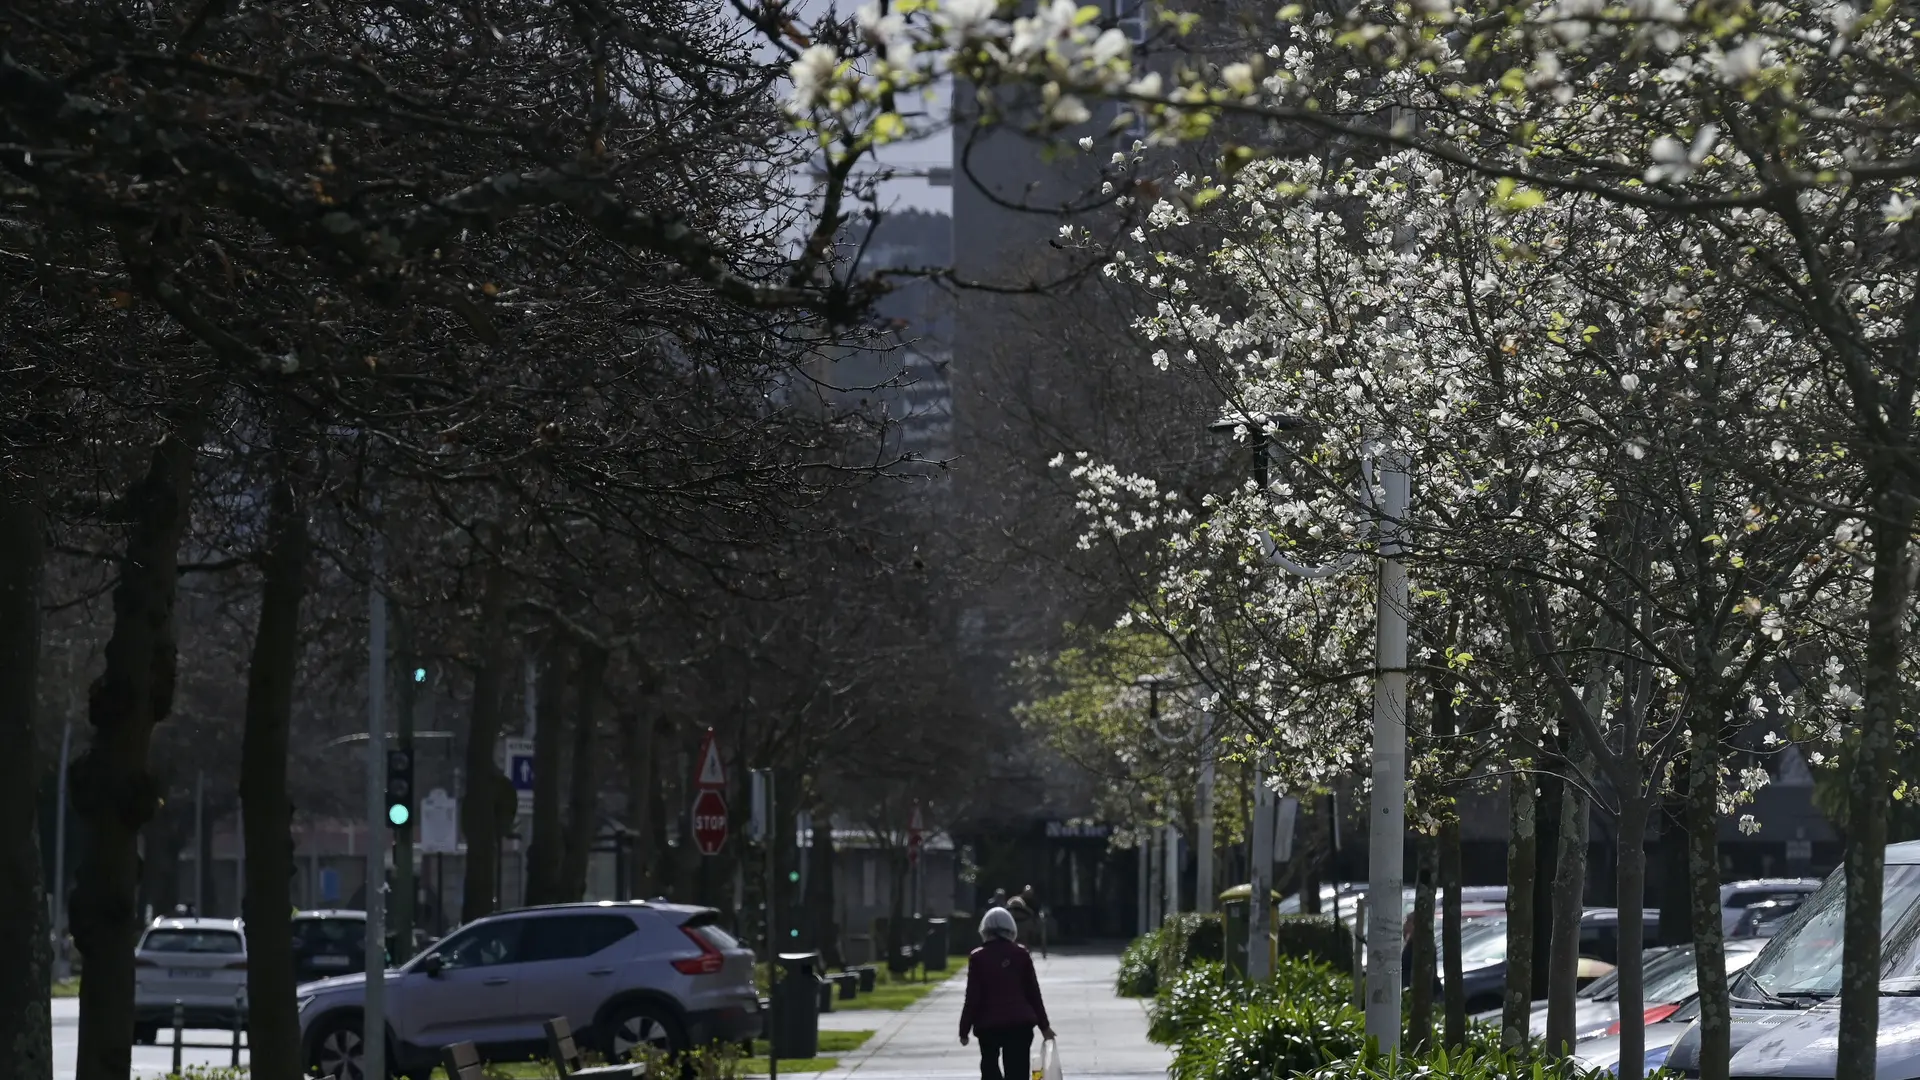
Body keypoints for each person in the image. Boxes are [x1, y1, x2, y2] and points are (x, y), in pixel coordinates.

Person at [959, 907, 1054, 1080]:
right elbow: (1033, 993)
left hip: (988, 1025)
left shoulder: (978, 958)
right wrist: (1044, 1026)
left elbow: (972, 997)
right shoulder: (1021, 954)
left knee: (989, 1065)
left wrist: (964, 1029)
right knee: (1017, 1071)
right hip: (1019, 1024)